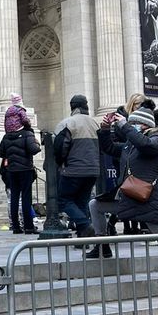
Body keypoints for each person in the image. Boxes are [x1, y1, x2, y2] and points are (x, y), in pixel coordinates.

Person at [87, 106, 158, 299]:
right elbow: (110, 148)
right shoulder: (132, 144)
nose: (129, 127)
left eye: (133, 124)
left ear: (144, 125)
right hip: (129, 197)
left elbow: (145, 145)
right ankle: (102, 245)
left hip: (149, 201)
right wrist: (105, 129)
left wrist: (124, 124)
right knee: (95, 205)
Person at [53, 94, 99, 242]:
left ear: (72, 107)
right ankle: (82, 238)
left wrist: (61, 163)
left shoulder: (68, 123)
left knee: (64, 200)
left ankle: (85, 225)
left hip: (74, 169)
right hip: (93, 170)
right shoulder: (95, 123)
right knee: (82, 202)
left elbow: (60, 147)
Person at [0, 121, 40, 234]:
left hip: (12, 170)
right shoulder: (27, 134)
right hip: (25, 169)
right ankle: (28, 227)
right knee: (26, 198)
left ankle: (16, 227)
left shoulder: (6, 136)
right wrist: (37, 144)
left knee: (14, 198)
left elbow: (1, 153)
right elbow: (34, 149)